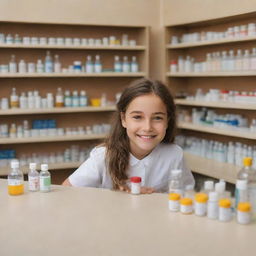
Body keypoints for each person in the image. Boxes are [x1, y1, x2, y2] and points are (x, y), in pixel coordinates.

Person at [62, 78, 195, 193]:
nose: (147, 127)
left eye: (158, 118)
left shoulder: (174, 155)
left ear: (168, 121)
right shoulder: (103, 157)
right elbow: (67, 191)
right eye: (137, 117)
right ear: (123, 119)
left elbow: (187, 194)